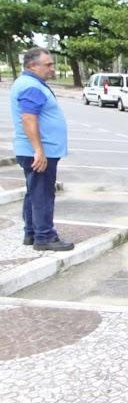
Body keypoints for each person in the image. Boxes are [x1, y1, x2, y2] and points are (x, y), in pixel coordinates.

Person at [10, 48, 74, 251]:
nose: (52, 68)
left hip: (35, 150)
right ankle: (44, 237)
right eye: (48, 64)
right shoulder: (31, 86)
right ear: (32, 66)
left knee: (34, 193)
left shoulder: (29, 83)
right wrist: (39, 150)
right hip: (38, 152)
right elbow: (28, 118)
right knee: (43, 195)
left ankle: (31, 233)